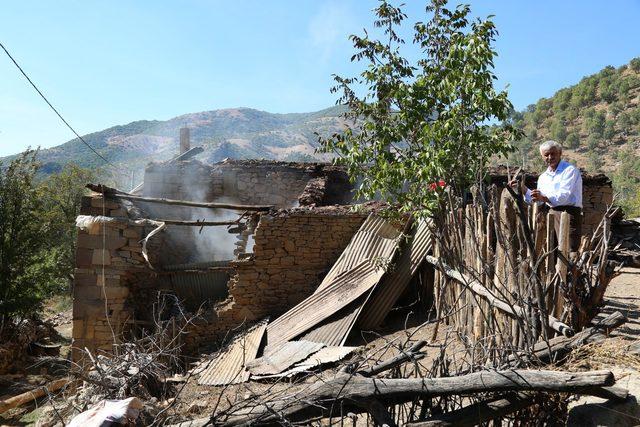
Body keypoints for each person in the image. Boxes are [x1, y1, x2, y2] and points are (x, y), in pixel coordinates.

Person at [510, 140, 583, 251]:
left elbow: (564, 196)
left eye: (553, 154)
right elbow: (538, 201)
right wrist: (523, 189)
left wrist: (543, 198)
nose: (550, 157)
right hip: (550, 214)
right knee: (552, 251)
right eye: (546, 155)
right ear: (542, 157)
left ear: (560, 153)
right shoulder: (543, 177)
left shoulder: (569, 171)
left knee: (569, 251)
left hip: (568, 213)